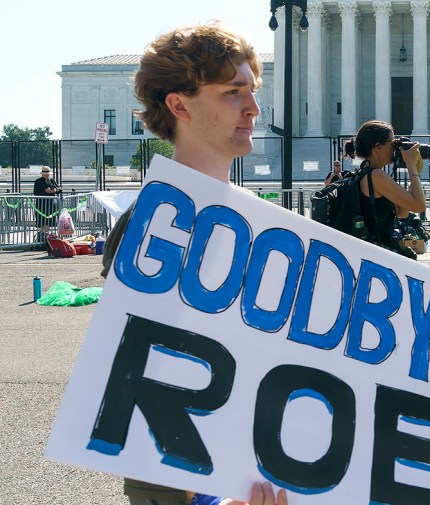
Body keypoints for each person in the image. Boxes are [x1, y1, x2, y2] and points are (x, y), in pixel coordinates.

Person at [99, 22, 287, 505]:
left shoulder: (266, 224)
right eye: (231, 92)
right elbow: (143, 394)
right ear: (178, 105)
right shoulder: (151, 227)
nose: (253, 108)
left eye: (251, 90)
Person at [342, 120, 426, 258]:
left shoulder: (365, 172)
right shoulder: (376, 177)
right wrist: (412, 168)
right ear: (378, 147)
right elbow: (419, 206)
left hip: (370, 252)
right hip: (377, 254)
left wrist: (413, 171)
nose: (396, 148)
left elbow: (402, 212)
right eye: (393, 143)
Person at [33, 165, 61, 236]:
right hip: (41, 204)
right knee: (42, 220)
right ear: (43, 174)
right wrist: (45, 191)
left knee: (49, 220)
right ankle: (42, 235)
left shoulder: (52, 180)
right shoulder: (38, 181)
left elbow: (60, 189)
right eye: (46, 174)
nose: (47, 175)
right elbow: (36, 192)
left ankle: (47, 234)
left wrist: (55, 190)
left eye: (48, 174)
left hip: (50, 204)